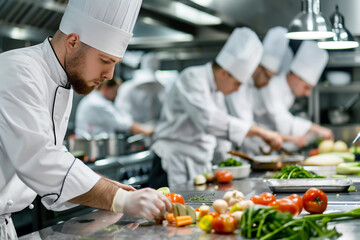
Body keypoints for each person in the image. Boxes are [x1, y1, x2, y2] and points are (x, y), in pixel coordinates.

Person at [0, 0, 172, 239]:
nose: (109, 75)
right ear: (73, 42)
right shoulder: (18, 72)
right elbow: (40, 160)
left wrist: (120, 190)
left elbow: (54, 154)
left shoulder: (64, 77)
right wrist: (120, 199)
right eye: (105, 60)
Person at [149, 27, 283, 188]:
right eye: (237, 83)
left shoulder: (217, 92)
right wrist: (260, 132)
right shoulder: (192, 77)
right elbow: (210, 121)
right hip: (171, 164)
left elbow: (220, 139)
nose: (237, 89)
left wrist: (234, 167)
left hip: (199, 166)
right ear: (224, 73)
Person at [253, 40, 334, 151]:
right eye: (306, 87)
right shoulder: (272, 86)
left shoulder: (289, 91)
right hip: (254, 148)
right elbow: (283, 122)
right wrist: (317, 129)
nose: (308, 94)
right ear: (295, 77)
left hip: (271, 148)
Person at [222, 27, 289, 156]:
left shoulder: (249, 88)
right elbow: (243, 128)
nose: (268, 83)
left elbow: (249, 126)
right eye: (267, 77)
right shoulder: (237, 86)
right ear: (258, 67)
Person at [115, 52, 178, 129]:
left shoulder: (161, 88)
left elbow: (167, 112)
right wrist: (138, 128)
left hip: (157, 129)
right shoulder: (127, 88)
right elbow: (121, 114)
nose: (149, 87)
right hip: (133, 130)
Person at [75, 77, 153, 138]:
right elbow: (122, 124)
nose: (116, 95)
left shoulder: (95, 99)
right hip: (94, 145)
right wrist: (146, 130)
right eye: (114, 91)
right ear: (105, 88)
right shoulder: (98, 103)